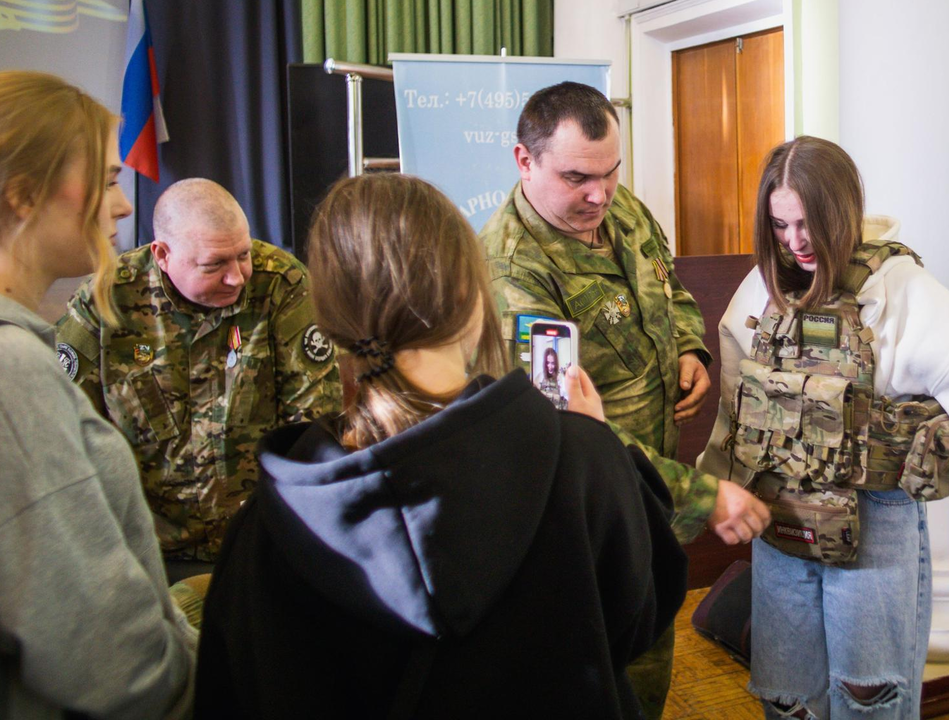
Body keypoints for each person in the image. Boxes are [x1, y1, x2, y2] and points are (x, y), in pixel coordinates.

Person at [195, 173, 689, 719]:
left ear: (330, 316)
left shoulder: (269, 523)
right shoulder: (579, 460)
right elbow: (639, 617)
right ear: (468, 294)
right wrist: (601, 446)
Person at [480, 80, 769, 717]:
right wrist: (700, 495)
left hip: (648, 497)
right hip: (585, 513)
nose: (600, 194)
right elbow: (565, 428)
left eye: (611, 172)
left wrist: (690, 346)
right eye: (578, 177)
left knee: (650, 652)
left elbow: (670, 288)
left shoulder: (619, 207)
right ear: (525, 161)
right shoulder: (512, 273)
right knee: (603, 680)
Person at [698, 135, 949, 719]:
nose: (795, 242)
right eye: (780, 226)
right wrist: (715, 487)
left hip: (873, 511)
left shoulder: (898, 285)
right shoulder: (764, 285)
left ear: (841, 209)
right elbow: (737, 403)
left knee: (871, 692)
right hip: (779, 505)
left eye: (807, 223)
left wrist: (926, 454)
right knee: (788, 696)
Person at [0, 70, 196, 718]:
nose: (124, 204)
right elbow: (104, 662)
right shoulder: (7, 372)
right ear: (23, 195)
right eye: (107, 180)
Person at [56, 178, 342, 579]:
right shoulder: (107, 299)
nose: (237, 277)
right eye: (214, 265)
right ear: (162, 254)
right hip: (145, 550)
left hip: (257, 543)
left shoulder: (280, 283)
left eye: (243, 256)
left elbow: (314, 423)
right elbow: (64, 427)